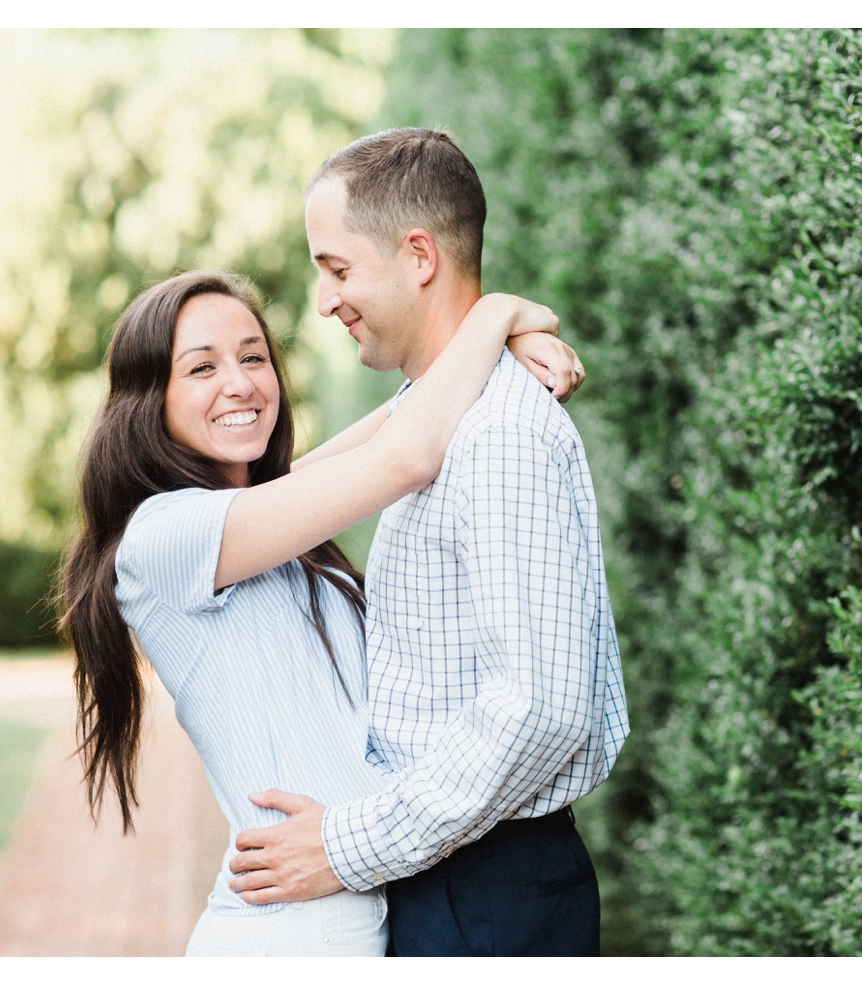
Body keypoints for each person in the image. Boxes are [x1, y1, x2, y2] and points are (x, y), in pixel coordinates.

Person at [59, 267, 582, 956]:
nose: (240, 382)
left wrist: (497, 357)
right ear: (149, 399)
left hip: (348, 906)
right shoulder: (163, 538)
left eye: (253, 356)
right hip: (290, 932)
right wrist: (495, 314)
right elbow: (406, 455)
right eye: (201, 368)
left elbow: (398, 421)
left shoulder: (265, 522)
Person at [225, 128, 629, 956]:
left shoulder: (500, 434)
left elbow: (541, 708)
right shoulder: (438, 413)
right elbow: (291, 496)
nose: (328, 299)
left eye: (337, 268)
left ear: (418, 255)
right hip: (446, 875)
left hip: (486, 896)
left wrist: (348, 844)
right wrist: (500, 322)